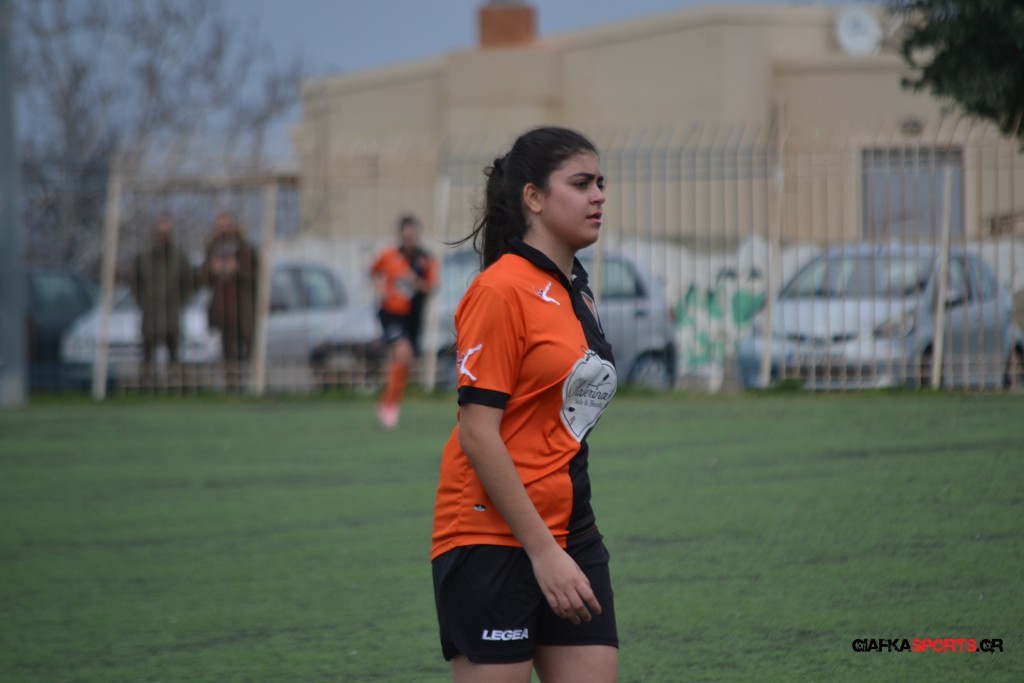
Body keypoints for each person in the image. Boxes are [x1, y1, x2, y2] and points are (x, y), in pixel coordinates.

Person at [431, 127, 619, 683]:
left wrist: (560, 547)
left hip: (573, 531)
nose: (598, 196)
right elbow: (477, 434)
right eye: (581, 184)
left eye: (600, 183)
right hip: (490, 536)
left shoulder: (575, 288)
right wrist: (543, 553)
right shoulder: (499, 290)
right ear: (533, 197)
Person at [369, 213, 439, 429]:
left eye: (412, 237)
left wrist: (415, 282)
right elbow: (374, 272)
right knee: (402, 351)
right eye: (405, 237)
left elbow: (431, 287)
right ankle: (389, 406)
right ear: (400, 236)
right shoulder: (389, 256)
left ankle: (390, 401)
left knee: (405, 362)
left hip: (413, 316)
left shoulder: (426, 259)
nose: (409, 241)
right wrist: (381, 289)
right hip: (391, 313)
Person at [130, 215, 194, 385]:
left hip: (171, 310)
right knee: (148, 347)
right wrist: (142, 301)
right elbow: (135, 282)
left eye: (165, 233)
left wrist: (181, 302)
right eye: (160, 232)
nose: (162, 236)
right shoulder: (144, 257)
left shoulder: (179, 257)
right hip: (150, 310)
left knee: (173, 347)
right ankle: (147, 382)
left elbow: (189, 282)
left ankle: (175, 382)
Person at [201, 211, 259, 389]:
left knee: (249, 346)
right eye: (220, 226)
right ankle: (232, 385)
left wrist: (238, 269)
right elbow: (202, 279)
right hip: (223, 307)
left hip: (244, 307)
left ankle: (253, 384)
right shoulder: (212, 249)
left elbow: (258, 277)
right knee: (227, 350)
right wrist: (211, 270)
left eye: (226, 225)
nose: (223, 230)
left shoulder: (246, 249)